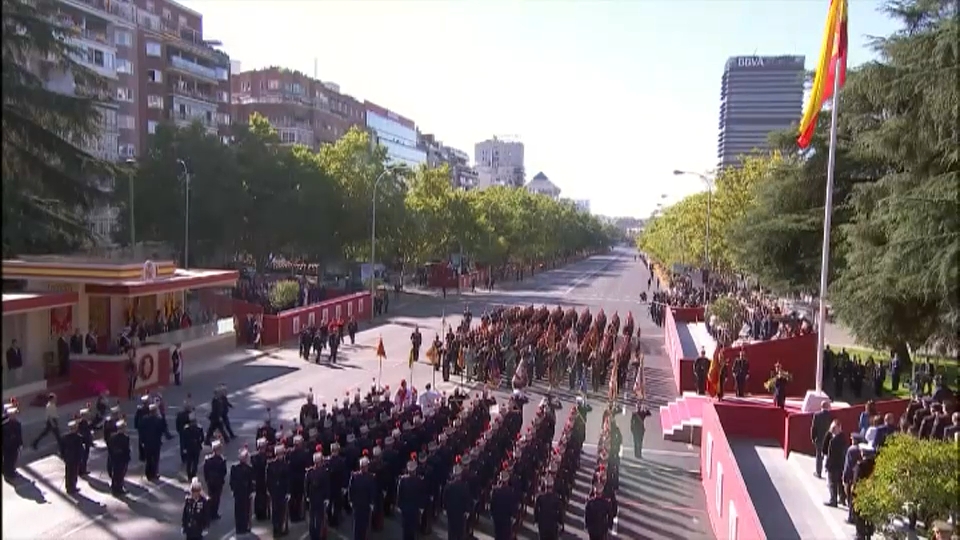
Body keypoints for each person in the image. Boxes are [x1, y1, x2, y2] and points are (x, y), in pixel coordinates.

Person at [823, 420, 849, 507]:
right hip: (841, 464)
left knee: (832, 483)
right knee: (839, 483)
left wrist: (827, 465)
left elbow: (830, 455)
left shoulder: (834, 441)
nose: (832, 430)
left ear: (839, 428)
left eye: (834, 428)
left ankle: (833, 500)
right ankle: (842, 499)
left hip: (834, 465)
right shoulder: (844, 438)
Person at [230, 445, 255, 535]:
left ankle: (240, 527)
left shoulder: (236, 468)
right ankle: (243, 527)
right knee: (244, 511)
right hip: (243, 492)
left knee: (240, 511)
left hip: (241, 493)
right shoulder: (248, 469)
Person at [203, 439, 227, 521]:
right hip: (216, 481)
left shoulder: (208, 459)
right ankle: (213, 513)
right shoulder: (221, 460)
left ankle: (211, 513)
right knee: (215, 498)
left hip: (212, 481)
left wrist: (207, 479)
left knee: (213, 497)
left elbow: (205, 471)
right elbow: (224, 471)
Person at [109, 419, 131, 496]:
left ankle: (114, 487)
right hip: (122, 459)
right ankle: (119, 488)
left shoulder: (112, 437)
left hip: (115, 458)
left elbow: (110, 448)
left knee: (115, 473)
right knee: (121, 474)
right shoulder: (125, 438)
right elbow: (126, 449)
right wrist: (127, 458)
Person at [810, 400, 832, 478]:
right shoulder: (831, 415)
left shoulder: (817, 415)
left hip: (819, 439)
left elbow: (813, 427)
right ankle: (827, 472)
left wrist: (813, 437)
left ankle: (818, 472)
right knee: (828, 455)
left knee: (819, 456)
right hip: (828, 439)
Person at [61, 419, 83, 494]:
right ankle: (72, 487)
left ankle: (68, 486)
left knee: (68, 472)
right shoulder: (78, 438)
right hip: (75, 458)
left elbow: (62, 448)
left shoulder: (65, 437)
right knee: (74, 473)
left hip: (68, 457)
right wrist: (80, 458)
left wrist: (63, 456)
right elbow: (80, 449)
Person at [2, 403, 23, 479]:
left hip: (14, 446)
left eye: (15, 414)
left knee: (13, 459)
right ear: (10, 415)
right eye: (13, 414)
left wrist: (20, 444)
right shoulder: (5, 425)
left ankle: (8, 470)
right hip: (7, 446)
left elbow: (19, 435)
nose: (14, 416)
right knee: (8, 459)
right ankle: (9, 473)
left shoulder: (17, 424)